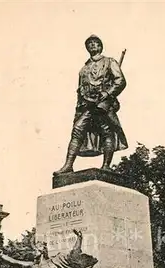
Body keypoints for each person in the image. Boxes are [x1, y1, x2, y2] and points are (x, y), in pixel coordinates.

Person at [56, 35, 128, 173]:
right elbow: (80, 88)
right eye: (90, 44)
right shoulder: (84, 68)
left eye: (95, 43)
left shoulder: (109, 62)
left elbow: (120, 81)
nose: (93, 45)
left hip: (103, 105)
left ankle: (106, 165)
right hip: (87, 105)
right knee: (77, 131)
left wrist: (107, 94)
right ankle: (68, 165)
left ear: (100, 46)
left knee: (107, 132)